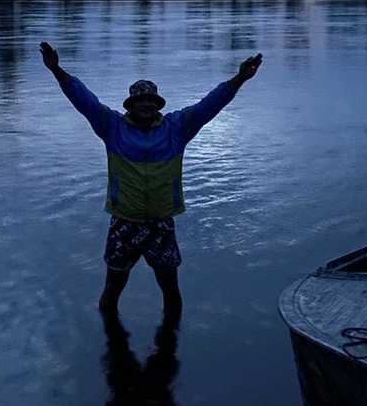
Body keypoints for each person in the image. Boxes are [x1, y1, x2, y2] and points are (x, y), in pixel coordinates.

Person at [39, 41, 262, 321]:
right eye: (139, 101)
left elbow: (211, 103)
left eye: (150, 101)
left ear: (157, 105)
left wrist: (240, 77)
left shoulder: (177, 128)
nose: (145, 104)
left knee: (171, 291)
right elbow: (84, 100)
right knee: (112, 289)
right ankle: (112, 344)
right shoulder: (112, 127)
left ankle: (169, 344)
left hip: (161, 224)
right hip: (124, 223)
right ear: (130, 106)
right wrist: (56, 70)